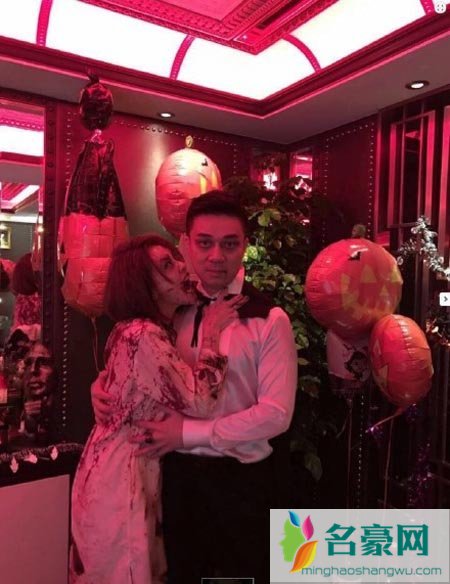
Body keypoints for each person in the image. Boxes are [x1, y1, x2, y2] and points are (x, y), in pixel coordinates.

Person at [93, 191, 298, 582]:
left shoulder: (269, 319)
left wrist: (187, 434)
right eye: (204, 243)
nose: (216, 256)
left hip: (240, 483)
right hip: (172, 477)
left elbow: (276, 415)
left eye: (229, 244)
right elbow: (140, 367)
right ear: (185, 244)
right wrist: (101, 387)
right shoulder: (168, 310)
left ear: (244, 246)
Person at [70, 234, 246, 584]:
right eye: (167, 264)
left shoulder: (137, 330)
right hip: (123, 475)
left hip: (119, 465)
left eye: (176, 259)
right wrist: (212, 334)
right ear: (143, 285)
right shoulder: (143, 334)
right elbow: (201, 401)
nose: (181, 267)